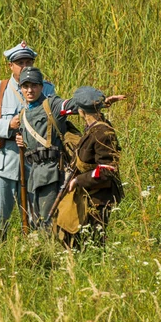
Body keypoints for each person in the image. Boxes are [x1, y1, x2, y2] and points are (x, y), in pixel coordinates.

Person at [14, 68, 124, 230]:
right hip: (33, 174)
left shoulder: (51, 105)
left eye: (34, 86)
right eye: (26, 86)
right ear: (21, 88)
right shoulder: (22, 114)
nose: (30, 90)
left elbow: (75, 104)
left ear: (42, 87)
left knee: (51, 222)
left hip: (52, 173)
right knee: (35, 221)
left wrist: (101, 101)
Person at [0, 41, 55, 238]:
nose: (25, 66)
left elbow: (54, 120)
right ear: (11, 66)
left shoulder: (46, 89)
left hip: (34, 163)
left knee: (36, 218)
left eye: (29, 62)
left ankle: (34, 256)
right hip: (2, 164)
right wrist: (8, 126)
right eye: (20, 62)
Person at [55, 87, 124, 248]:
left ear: (81, 111)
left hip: (98, 198)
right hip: (90, 195)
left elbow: (107, 170)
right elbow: (65, 113)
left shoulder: (102, 132)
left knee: (94, 244)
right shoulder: (94, 127)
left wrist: (79, 180)